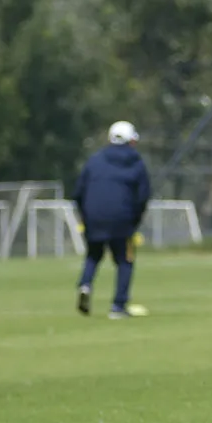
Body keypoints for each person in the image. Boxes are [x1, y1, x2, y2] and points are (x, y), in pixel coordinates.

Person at [73, 121, 151, 319]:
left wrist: (86, 216)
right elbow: (142, 196)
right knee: (125, 260)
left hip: (94, 217)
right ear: (131, 141)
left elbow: (79, 192)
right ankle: (118, 306)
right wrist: (134, 221)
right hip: (122, 218)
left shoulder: (94, 160)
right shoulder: (136, 162)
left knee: (93, 255)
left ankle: (85, 284)